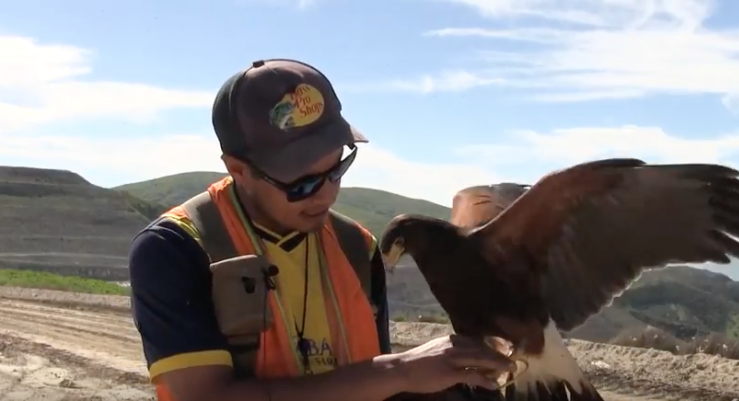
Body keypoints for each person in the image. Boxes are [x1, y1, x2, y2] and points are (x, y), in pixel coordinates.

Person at [127, 58, 511, 401]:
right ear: (238, 169)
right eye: (302, 183)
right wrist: (401, 370)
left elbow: (370, 385)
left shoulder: (357, 247)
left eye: (337, 169)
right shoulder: (175, 249)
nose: (326, 193)